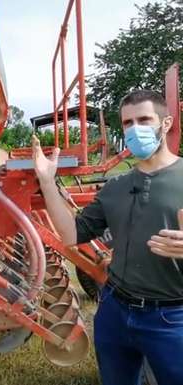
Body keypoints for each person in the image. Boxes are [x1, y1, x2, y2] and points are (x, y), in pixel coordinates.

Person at [33, 90, 183, 385]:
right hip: (115, 310)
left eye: (144, 119)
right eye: (128, 123)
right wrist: (47, 182)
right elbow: (71, 234)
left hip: (170, 317)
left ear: (165, 123)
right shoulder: (116, 186)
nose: (135, 129)